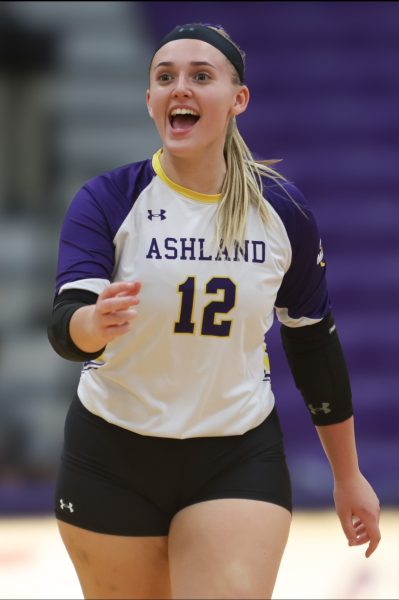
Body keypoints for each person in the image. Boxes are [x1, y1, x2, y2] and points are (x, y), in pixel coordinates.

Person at [47, 22, 381, 600]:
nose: (181, 88)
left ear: (237, 100)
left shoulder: (281, 211)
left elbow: (314, 343)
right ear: (149, 99)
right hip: (112, 452)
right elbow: (66, 323)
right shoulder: (108, 199)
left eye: (201, 77)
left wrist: (348, 477)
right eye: (165, 77)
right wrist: (92, 325)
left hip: (234, 452)